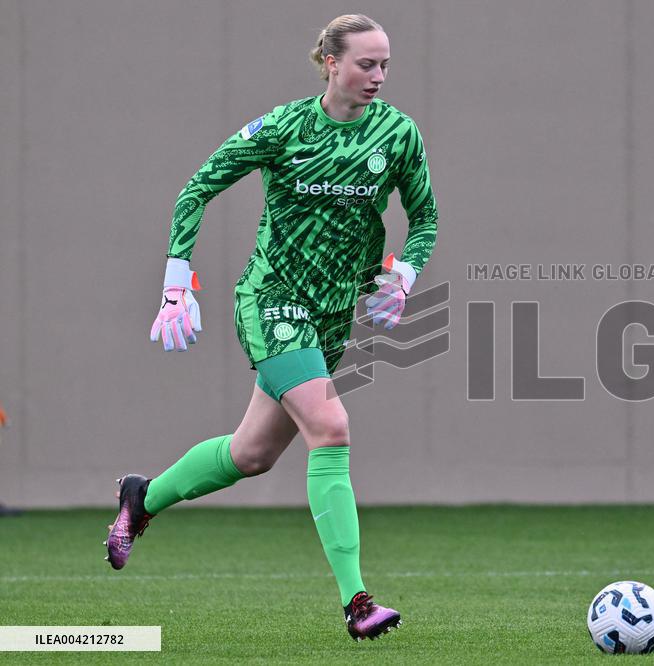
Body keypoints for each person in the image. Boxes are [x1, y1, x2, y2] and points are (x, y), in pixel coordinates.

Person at [104, 14, 437, 642]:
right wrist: (178, 278)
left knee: (251, 454)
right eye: (367, 63)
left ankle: (140, 498)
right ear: (331, 63)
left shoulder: (398, 134)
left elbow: (426, 219)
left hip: (335, 315)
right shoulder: (284, 127)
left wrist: (405, 276)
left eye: (386, 64)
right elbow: (198, 187)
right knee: (332, 427)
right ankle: (357, 602)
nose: (379, 76)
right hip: (273, 299)